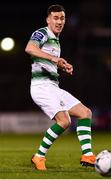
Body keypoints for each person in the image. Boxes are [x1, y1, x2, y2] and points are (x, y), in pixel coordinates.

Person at [25, 4, 96, 171]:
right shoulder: (42, 33)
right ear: (48, 20)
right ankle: (39, 157)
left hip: (53, 87)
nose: (59, 21)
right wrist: (54, 59)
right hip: (41, 87)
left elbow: (49, 61)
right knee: (64, 121)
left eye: (62, 18)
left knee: (85, 113)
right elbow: (29, 48)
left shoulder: (56, 40)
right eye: (55, 18)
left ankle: (87, 155)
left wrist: (61, 64)